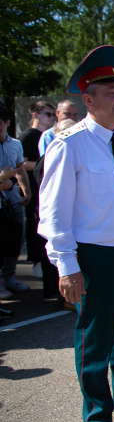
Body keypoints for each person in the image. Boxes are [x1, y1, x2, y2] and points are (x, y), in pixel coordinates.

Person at [38, 45, 114, 422]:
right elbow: (54, 213)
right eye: (110, 93)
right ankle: (97, 412)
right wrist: (66, 266)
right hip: (94, 254)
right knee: (95, 337)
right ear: (87, 99)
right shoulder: (69, 144)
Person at [20, 100, 55, 284]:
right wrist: (49, 165)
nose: (52, 118)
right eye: (48, 114)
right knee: (35, 225)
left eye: (52, 114)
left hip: (45, 185)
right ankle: (36, 263)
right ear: (35, 115)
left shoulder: (49, 135)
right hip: (34, 187)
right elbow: (22, 163)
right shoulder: (28, 136)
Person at [0, 105, 32, 300]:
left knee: (15, 239)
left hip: (11, 199)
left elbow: (19, 170)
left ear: (8, 123)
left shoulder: (15, 144)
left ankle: (9, 276)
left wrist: (26, 191)